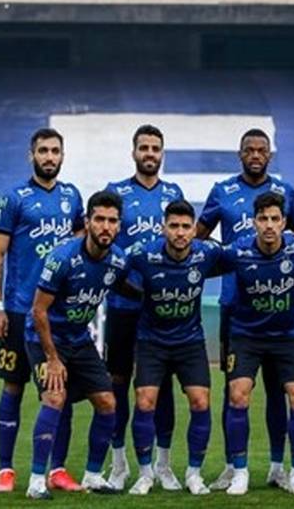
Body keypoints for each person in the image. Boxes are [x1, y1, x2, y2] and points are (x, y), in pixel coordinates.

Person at [197, 129, 294, 491]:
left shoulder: (285, 192)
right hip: (234, 305)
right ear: (240, 154)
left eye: (261, 150)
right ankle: (232, 465)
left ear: (270, 155)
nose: (255, 155)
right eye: (249, 150)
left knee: (277, 390)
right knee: (235, 389)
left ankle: (277, 466)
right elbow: (199, 236)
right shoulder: (222, 190)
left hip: (277, 308)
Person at [0, 128, 85, 494]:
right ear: (32, 155)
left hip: (57, 313)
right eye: (43, 151)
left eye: (55, 151)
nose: (49, 157)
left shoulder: (72, 197)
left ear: (62, 155)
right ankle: (5, 470)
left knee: (61, 388)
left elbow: (81, 243)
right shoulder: (14, 198)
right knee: (13, 386)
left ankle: (57, 469)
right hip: (18, 309)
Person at [24, 191, 129, 498]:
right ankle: (35, 481)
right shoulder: (62, 258)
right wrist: (52, 358)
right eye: (100, 219)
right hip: (44, 338)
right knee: (55, 397)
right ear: (87, 222)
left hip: (79, 339)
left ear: (119, 225)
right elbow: (38, 310)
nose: (106, 227)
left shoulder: (117, 261)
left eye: (112, 221)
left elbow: (127, 287)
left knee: (107, 402)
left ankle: (93, 475)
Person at [217, 191, 294, 495]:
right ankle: (240, 472)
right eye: (263, 219)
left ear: (284, 222)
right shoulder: (238, 251)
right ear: (254, 222)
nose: (269, 225)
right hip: (246, 335)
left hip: (287, 337)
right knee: (238, 395)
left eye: (275, 219)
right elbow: (202, 259)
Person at [122, 200, 225, 495]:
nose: (180, 232)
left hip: (189, 341)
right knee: (145, 402)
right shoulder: (143, 254)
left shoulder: (207, 253)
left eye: (185, 227)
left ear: (194, 230)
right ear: (163, 228)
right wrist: (136, 294)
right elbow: (113, 268)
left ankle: (194, 474)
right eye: (174, 226)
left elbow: (243, 257)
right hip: (151, 341)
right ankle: (146, 474)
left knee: (201, 402)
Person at [102, 125, 183, 491]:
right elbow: (107, 247)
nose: (150, 153)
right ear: (133, 152)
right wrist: (129, 286)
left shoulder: (173, 193)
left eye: (155, 148)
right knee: (117, 383)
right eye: (144, 147)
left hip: (162, 309)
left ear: (162, 153)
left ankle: (163, 465)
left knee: (161, 384)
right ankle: (119, 463)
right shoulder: (116, 193)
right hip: (123, 305)